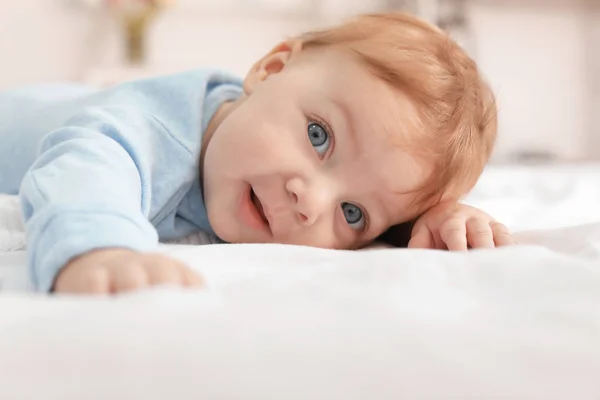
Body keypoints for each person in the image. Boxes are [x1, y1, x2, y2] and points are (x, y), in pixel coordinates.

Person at [0, 13, 513, 295]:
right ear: (269, 70)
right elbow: (83, 169)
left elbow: (383, 197)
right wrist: (100, 249)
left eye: (351, 213)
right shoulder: (148, 131)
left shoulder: (265, 151)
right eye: (319, 137)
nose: (309, 200)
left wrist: (435, 217)